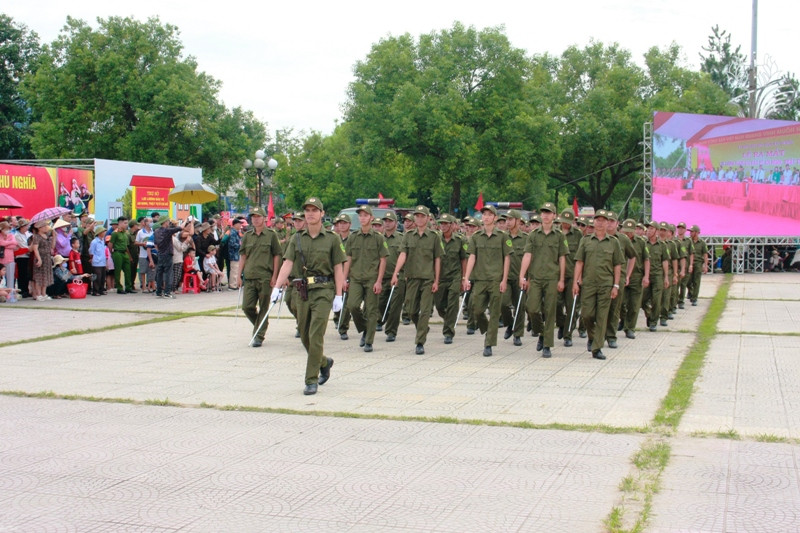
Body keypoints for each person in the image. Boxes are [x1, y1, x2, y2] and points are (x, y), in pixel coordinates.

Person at [272, 197, 346, 396]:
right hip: (302, 290)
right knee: (304, 334)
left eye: (315, 210)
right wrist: (277, 287)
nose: (311, 213)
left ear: (322, 214)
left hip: (324, 289)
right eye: (307, 210)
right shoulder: (297, 238)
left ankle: (310, 379)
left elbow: (338, 268)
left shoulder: (332, 238)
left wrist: (339, 295)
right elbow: (287, 263)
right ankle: (323, 362)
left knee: (315, 334)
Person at [572, 210, 623, 361]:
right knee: (587, 314)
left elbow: (617, 265)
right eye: (597, 220)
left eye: (603, 220)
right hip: (588, 284)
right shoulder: (586, 240)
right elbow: (579, 262)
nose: (600, 223)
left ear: (608, 223)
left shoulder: (614, 242)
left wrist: (616, 285)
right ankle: (592, 336)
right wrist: (576, 281)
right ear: (593, 222)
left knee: (602, 317)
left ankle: (597, 348)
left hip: (606, 285)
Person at [391, 205, 442, 355]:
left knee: (425, 311)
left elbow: (437, 259)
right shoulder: (408, 236)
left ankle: (420, 342)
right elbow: (402, 255)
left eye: (422, 216)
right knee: (411, 310)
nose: (419, 219)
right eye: (417, 216)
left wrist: (436, 280)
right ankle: (422, 327)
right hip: (411, 278)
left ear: (428, 218)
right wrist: (395, 273)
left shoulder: (434, 236)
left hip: (427, 279)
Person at [462, 204, 512, 357]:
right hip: (480, 279)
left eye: (490, 214)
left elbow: (507, 258)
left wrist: (504, 280)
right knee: (476, 310)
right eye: (484, 214)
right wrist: (466, 277)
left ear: (495, 218)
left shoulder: (503, 237)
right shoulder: (476, 237)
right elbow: (472, 257)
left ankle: (489, 344)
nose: (486, 217)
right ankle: (486, 329)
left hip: (496, 280)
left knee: (495, 313)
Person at [519, 202, 566, 358]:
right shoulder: (533, 234)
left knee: (550, 311)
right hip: (536, 277)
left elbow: (562, 258)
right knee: (532, 308)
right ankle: (540, 332)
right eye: (543, 213)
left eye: (548, 212)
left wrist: (561, 279)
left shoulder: (559, 235)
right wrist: (522, 275)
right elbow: (527, 255)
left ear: (554, 216)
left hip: (552, 277)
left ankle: (547, 345)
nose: (545, 215)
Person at [343, 205, 388, 353]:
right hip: (355, 278)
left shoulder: (378, 238)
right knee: (352, 305)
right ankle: (364, 328)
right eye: (360, 215)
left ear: (371, 217)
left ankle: (369, 340)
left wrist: (379, 281)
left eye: (365, 215)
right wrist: (344, 278)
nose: (362, 218)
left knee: (372, 311)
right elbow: (348, 258)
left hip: (371, 279)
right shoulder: (353, 237)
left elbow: (383, 260)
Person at [238, 207, 282, 348]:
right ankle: (261, 324)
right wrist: (238, 275)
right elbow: (243, 256)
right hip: (250, 276)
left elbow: (277, 255)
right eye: (253, 217)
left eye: (258, 216)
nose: (255, 219)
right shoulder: (247, 236)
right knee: (247, 307)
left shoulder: (271, 235)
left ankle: (259, 335)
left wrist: (275, 276)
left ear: (264, 219)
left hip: (265, 277)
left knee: (264, 307)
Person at [434, 213, 467, 345]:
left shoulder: (460, 240)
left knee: (453, 304)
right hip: (440, 277)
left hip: (455, 276)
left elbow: (464, 259)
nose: (443, 226)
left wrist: (464, 278)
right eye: (441, 223)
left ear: (452, 225)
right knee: (439, 305)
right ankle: (449, 320)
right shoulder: (436, 239)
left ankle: (448, 332)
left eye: (446, 223)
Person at [500, 210, 527, 346]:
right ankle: (509, 324)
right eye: (506, 219)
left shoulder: (526, 238)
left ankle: (517, 334)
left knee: (520, 306)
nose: (508, 222)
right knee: (503, 303)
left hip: (520, 278)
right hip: (505, 277)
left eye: (511, 219)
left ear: (518, 221)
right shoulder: (502, 237)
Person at [619, 219, 650, 339]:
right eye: (626, 232)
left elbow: (646, 259)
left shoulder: (641, 242)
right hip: (622, 275)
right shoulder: (619, 240)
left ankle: (630, 328)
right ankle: (623, 320)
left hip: (636, 277)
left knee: (634, 304)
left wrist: (646, 276)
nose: (628, 234)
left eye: (631, 232)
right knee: (620, 303)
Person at [556, 210, 582, 347]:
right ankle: (561, 324)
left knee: (571, 306)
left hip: (572, 275)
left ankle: (568, 334)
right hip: (556, 275)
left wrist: (580, 276)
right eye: (563, 220)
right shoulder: (555, 233)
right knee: (555, 304)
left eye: (568, 221)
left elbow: (582, 257)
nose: (565, 223)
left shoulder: (578, 235)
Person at [379, 212, 405, 342]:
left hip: (397, 277)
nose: (387, 223)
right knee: (380, 304)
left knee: (395, 306)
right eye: (385, 220)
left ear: (395, 223)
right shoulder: (379, 238)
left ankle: (391, 331)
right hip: (381, 277)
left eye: (390, 220)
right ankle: (382, 320)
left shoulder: (401, 238)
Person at [641, 221, 670, 331]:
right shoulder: (643, 243)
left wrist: (666, 277)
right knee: (642, 300)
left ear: (657, 231)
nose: (649, 230)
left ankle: (653, 322)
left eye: (652, 228)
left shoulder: (662, 245)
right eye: (648, 228)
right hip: (645, 275)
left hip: (658, 275)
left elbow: (665, 261)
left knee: (656, 300)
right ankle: (649, 314)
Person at [155, 219, 192, 298]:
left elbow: (156, 244)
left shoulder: (156, 231)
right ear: (165, 222)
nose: (168, 223)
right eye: (167, 221)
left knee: (160, 273)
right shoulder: (167, 231)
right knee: (169, 274)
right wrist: (186, 220)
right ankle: (167, 292)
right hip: (168, 254)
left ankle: (158, 291)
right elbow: (181, 227)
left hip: (160, 254)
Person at [332, 214, 353, 339]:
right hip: (335, 275)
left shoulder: (353, 238)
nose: (341, 225)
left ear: (349, 224)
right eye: (339, 223)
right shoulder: (334, 239)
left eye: (344, 223)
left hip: (349, 275)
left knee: (346, 302)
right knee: (334, 300)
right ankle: (337, 318)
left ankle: (343, 328)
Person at [31, 220, 55, 301]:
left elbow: (52, 246)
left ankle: (44, 293)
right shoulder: (36, 236)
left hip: (47, 257)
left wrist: (54, 236)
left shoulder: (47, 236)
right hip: (40, 257)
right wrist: (39, 259)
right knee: (39, 276)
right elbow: (35, 248)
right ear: (40, 228)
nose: (46, 228)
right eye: (44, 226)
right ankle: (38, 294)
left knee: (46, 276)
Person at [110, 216, 134, 294]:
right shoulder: (115, 233)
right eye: (125, 223)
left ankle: (128, 287)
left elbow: (126, 246)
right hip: (117, 253)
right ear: (120, 223)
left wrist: (130, 256)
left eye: (127, 223)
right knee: (118, 271)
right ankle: (119, 288)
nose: (126, 225)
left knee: (128, 270)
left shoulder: (125, 233)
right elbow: (110, 244)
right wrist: (110, 255)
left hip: (125, 253)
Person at [687, 225, 708, 305]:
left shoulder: (702, 243)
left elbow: (705, 255)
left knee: (696, 281)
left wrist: (705, 266)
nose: (690, 233)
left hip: (698, 263)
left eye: (692, 232)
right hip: (689, 263)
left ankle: (694, 298)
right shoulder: (688, 241)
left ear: (697, 233)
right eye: (690, 231)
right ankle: (691, 291)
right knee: (688, 280)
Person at [135, 217, 156, 293]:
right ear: (145, 222)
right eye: (150, 221)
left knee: (152, 271)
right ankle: (143, 286)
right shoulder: (140, 232)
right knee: (143, 271)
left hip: (152, 254)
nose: (151, 223)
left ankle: (151, 286)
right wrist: (142, 244)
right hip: (143, 254)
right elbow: (136, 242)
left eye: (152, 221)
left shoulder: (153, 231)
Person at [14, 218, 32, 298]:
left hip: (27, 256)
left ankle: (26, 290)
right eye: (25, 226)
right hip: (21, 257)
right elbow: (22, 246)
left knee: (27, 274)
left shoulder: (27, 234)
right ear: (21, 227)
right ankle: (22, 290)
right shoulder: (17, 235)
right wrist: (29, 248)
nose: (27, 227)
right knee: (22, 274)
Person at [0, 221, 18, 296]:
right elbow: (1, 243)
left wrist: (5, 244)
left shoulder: (11, 235)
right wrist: (9, 244)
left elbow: (15, 244)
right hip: (1, 259)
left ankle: (10, 295)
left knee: (10, 278)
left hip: (10, 259)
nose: (7, 230)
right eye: (5, 229)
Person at [89, 226, 108, 296]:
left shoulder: (103, 241)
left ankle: (101, 290)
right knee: (97, 277)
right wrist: (93, 259)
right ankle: (95, 291)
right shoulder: (94, 242)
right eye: (103, 232)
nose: (104, 233)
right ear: (99, 233)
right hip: (97, 262)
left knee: (103, 277)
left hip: (102, 261)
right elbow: (91, 252)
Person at [227, 218, 243, 290]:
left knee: (237, 270)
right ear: (235, 224)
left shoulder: (237, 232)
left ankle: (236, 284)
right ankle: (232, 285)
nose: (240, 225)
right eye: (239, 224)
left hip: (237, 253)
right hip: (234, 254)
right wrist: (240, 246)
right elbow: (232, 244)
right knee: (234, 270)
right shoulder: (233, 232)